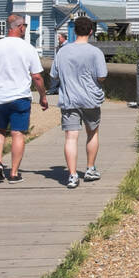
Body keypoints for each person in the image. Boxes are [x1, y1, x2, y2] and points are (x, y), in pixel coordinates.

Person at [0, 14, 48, 184]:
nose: (25, 28)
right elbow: (37, 77)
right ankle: (14, 173)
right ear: (20, 27)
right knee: (17, 134)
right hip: (20, 97)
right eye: (24, 25)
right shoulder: (28, 48)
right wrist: (43, 96)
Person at [50, 16, 108, 189]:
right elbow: (102, 76)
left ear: (74, 31)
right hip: (91, 99)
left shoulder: (63, 52)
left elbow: (54, 75)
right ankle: (90, 169)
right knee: (92, 133)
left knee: (71, 137)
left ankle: (72, 175)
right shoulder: (95, 52)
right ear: (91, 31)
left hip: (69, 99)